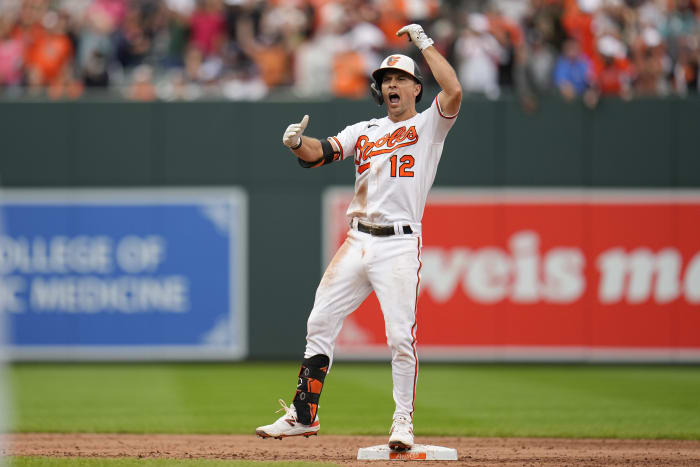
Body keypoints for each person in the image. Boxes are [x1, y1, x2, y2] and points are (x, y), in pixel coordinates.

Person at [255, 23, 462, 452]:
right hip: (357, 240)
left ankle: (402, 422)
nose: (391, 85)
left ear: (416, 88)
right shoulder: (364, 130)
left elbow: (455, 91)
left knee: (400, 336)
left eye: (400, 79)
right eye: (386, 80)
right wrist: (296, 143)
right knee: (319, 322)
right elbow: (320, 153)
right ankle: (303, 415)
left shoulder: (429, 127)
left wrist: (422, 43)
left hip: (400, 243)